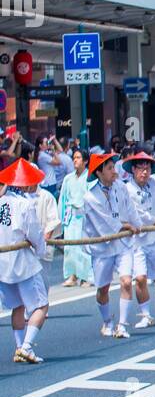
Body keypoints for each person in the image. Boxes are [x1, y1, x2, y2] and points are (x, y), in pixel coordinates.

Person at [83, 152, 141, 338]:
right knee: (103, 289)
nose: (113, 171)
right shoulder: (90, 197)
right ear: (98, 172)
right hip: (102, 247)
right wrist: (124, 225)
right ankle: (107, 320)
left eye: (113, 167)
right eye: (109, 168)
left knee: (126, 281)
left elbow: (130, 208)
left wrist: (137, 224)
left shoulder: (120, 187)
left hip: (123, 242)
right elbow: (104, 223)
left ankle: (122, 325)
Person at [0, 157, 51, 364]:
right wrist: (41, 249)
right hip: (22, 262)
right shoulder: (24, 204)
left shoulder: (1, 202)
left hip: (3, 262)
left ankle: (19, 346)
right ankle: (27, 346)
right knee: (41, 305)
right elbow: (35, 234)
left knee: (18, 306)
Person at [123, 151, 155, 327]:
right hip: (138, 240)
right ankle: (145, 314)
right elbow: (138, 214)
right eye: (140, 169)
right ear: (133, 170)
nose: (144, 172)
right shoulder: (127, 189)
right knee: (141, 278)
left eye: (147, 169)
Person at [58, 148, 93, 286]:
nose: (75, 160)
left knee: (84, 247)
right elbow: (63, 199)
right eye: (74, 157)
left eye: (78, 157)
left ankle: (86, 277)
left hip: (84, 216)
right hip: (71, 216)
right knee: (70, 247)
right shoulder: (68, 178)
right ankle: (72, 275)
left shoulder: (89, 177)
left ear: (85, 161)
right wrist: (60, 219)